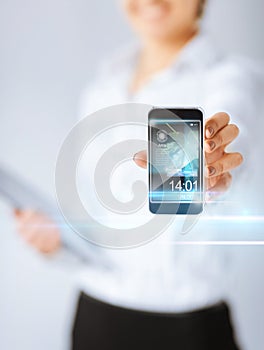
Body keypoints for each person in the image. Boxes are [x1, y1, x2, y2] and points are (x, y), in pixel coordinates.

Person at [14, 0, 259, 349]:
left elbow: (237, 133)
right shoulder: (103, 86)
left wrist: (217, 168)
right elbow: (91, 214)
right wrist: (59, 241)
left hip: (187, 327)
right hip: (95, 315)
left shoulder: (230, 77)